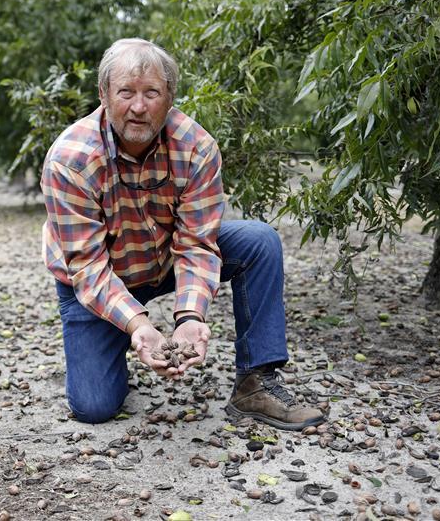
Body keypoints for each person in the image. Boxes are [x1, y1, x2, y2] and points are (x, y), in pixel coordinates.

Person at [40, 38, 325, 431]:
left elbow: (195, 242)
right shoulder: (69, 160)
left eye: (152, 93)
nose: (138, 107)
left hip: (164, 259)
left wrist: (190, 316)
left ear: (170, 96)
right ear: (104, 94)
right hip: (98, 276)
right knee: (94, 406)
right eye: (126, 92)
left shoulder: (197, 147)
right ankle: (118, 337)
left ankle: (255, 382)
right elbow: (87, 267)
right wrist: (139, 326)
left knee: (259, 241)